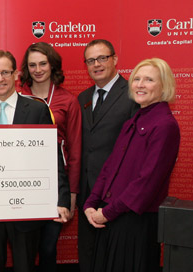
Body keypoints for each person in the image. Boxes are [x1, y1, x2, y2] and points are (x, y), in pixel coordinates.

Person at [0, 50, 70, 272]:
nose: (0, 78)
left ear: (16, 74)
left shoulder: (36, 110)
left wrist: (62, 199)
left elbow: (52, 158)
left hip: (26, 209)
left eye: (5, 72)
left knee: (25, 266)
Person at [83, 58, 180, 271]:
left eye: (149, 80)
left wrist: (106, 213)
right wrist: (91, 203)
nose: (140, 84)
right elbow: (110, 167)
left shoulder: (165, 126)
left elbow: (146, 183)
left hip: (135, 224)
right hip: (113, 219)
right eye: (136, 79)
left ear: (164, 86)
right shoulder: (133, 122)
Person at [77, 39, 138, 272]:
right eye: (91, 60)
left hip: (118, 195)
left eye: (102, 58)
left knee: (115, 260)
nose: (97, 64)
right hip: (88, 194)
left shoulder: (133, 94)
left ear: (115, 59)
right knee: (89, 257)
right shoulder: (82, 99)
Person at [19, 42, 81, 271]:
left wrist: (72, 194)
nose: (37, 69)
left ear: (52, 64)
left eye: (42, 63)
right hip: (22, 182)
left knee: (47, 248)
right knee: (24, 248)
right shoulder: (17, 97)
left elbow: (75, 149)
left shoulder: (68, 101)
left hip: (56, 184)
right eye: (32, 64)